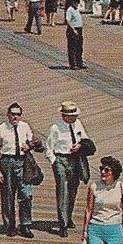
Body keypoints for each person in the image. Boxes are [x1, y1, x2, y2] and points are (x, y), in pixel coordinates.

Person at [46, 101, 90, 236]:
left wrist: (80, 146)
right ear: (64, 116)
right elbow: (49, 147)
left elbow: (85, 139)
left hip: (74, 159)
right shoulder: (56, 128)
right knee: (62, 190)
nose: (73, 118)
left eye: (75, 116)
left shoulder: (78, 124)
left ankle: (68, 216)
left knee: (73, 190)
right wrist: (54, 161)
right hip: (60, 159)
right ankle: (62, 223)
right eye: (71, 116)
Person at [0, 103, 35, 238]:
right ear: (8, 115)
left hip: (22, 162)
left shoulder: (25, 126)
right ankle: (10, 225)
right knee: (8, 195)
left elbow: (32, 141)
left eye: (18, 114)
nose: (15, 117)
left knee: (26, 194)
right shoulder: (1, 129)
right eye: (13, 114)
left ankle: (25, 225)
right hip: (7, 162)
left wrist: (28, 146)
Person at [65, 0, 85, 69]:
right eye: (75, 2)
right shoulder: (70, 10)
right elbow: (68, 20)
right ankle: (73, 64)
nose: (77, 3)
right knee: (72, 48)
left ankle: (79, 62)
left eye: (77, 2)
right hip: (73, 30)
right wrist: (73, 29)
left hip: (79, 29)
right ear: (72, 2)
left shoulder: (77, 9)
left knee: (79, 47)